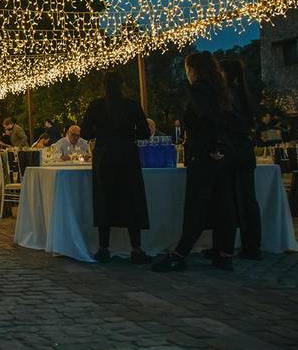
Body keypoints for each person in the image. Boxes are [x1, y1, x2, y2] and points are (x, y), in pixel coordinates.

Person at [153, 51, 238, 272]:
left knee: (197, 205)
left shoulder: (198, 91)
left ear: (193, 70)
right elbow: (228, 120)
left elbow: (207, 120)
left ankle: (180, 253)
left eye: (187, 70)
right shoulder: (220, 90)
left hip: (204, 153)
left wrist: (212, 147)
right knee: (223, 204)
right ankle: (224, 252)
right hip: (222, 154)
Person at [81, 71, 152, 263]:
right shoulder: (131, 106)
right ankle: (136, 248)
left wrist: (101, 132)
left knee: (105, 200)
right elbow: (145, 132)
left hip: (105, 156)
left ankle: (103, 247)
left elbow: (86, 133)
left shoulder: (96, 106)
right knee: (131, 199)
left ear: (103, 86)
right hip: (128, 155)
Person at [221, 59, 261, 260]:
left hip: (234, 148)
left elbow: (226, 121)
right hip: (246, 148)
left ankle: (228, 246)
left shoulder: (227, 95)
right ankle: (252, 245)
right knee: (248, 198)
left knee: (233, 198)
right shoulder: (244, 94)